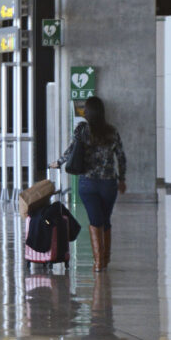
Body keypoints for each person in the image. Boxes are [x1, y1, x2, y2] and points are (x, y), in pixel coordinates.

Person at [50, 96, 126, 272]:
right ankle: (104, 260)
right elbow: (121, 157)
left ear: (88, 112)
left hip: (88, 183)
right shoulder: (112, 132)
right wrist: (122, 178)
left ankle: (99, 262)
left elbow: (71, 151)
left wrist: (58, 162)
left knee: (95, 220)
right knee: (105, 220)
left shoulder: (82, 130)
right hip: (108, 184)